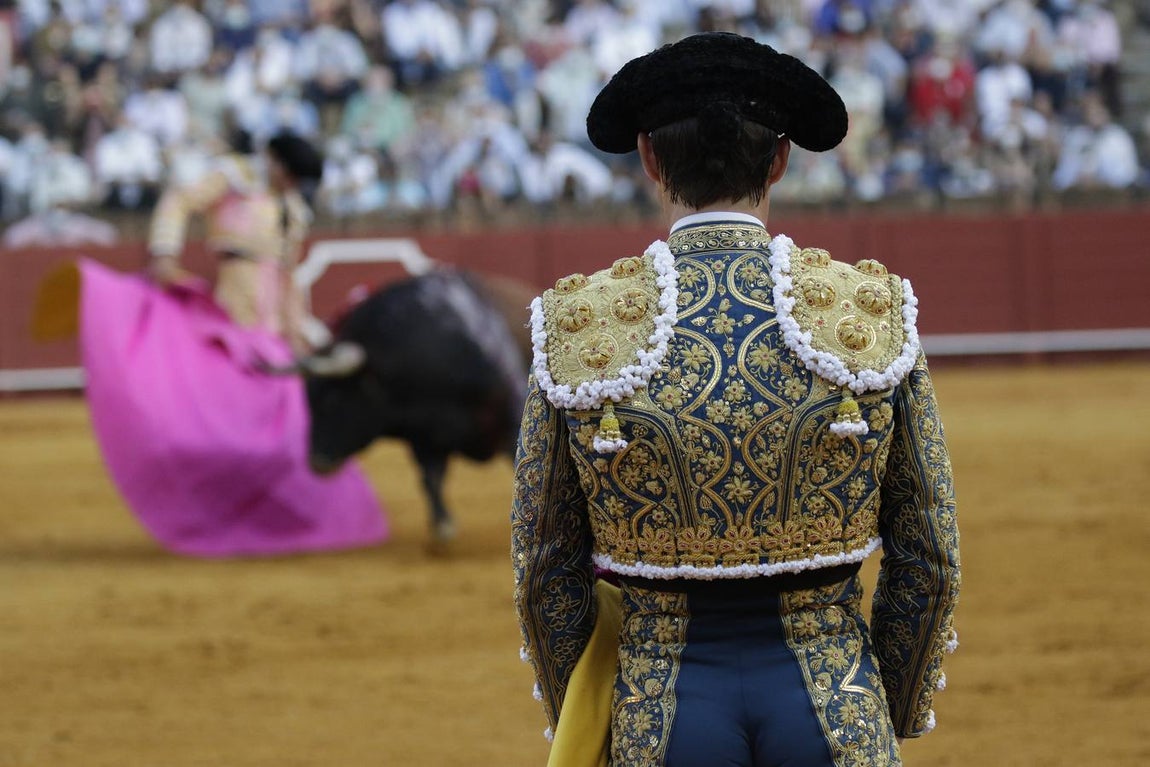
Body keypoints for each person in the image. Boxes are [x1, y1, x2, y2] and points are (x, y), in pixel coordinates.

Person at [511, 32, 960, 766]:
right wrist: (883, 697)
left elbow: (544, 565)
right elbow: (929, 551)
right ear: (780, 159)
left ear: (651, 160)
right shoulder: (869, 309)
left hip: (661, 704)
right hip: (831, 691)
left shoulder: (578, 326)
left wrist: (586, 711)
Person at [58, 129, 390, 558]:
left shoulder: (292, 210)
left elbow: (287, 279)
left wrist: (295, 338)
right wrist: (164, 255)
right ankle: (225, 510)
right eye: (290, 175)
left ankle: (274, 519)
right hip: (231, 314)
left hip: (271, 330)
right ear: (273, 162)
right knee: (225, 418)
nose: (291, 185)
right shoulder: (234, 178)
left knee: (291, 428)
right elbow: (179, 201)